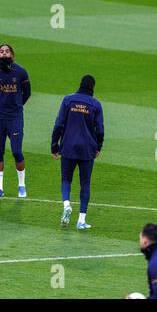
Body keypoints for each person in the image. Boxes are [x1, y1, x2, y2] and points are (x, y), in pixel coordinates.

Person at [51, 75, 104, 230]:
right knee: (85, 183)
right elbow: (100, 129)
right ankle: (81, 220)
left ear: (80, 84)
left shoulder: (68, 100)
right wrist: (99, 146)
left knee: (66, 179)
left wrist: (55, 145)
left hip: (68, 146)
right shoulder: (95, 104)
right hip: (87, 148)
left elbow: (59, 124)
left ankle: (66, 204)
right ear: (92, 87)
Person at [0, 44, 31, 198]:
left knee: (16, 151)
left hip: (15, 117)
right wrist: (2, 104)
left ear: (12, 54)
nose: (4, 54)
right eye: (1, 52)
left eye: (7, 51)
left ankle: (21, 185)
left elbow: (27, 92)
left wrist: (17, 105)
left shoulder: (21, 72)